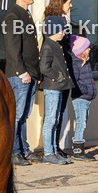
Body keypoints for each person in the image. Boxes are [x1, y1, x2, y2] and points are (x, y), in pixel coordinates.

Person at [3, 0, 41, 166]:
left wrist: (37, 74)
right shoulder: (13, 16)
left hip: (31, 73)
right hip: (20, 75)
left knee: (24, 114)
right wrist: (21, 72)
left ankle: (24, 149)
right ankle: (14, 152)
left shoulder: (25, 14)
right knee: (17, 115)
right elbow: (12, 47)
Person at [38, 16, 75, 165]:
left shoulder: (55, 44)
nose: (63, 33)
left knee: (55, 120)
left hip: (58, 87)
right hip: (52, 87)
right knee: (50, 120)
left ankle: (53, 150)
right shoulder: (48, 45)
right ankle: (48, 152)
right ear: (53, 30)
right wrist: (58, 76)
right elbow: (44, 67)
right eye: (61, 30)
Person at [44, 0, 74, 156]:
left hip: (65, 73)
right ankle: (51, 149)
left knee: (59, 112)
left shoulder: (64, 21)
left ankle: (55, 147)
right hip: (57, 74)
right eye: (68, 2)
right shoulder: (52, 22)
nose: (71, 5)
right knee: (52, 115)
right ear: (60, 3)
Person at [69, 35, 97, 161]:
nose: (89, 49)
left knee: (83, 122)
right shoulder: (76, 64)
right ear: (81, 50)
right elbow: (75, 82)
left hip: (86, 98)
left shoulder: (85, 62)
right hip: (80, 98)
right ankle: (78, 150)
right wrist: (85, 91)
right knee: (81, 123)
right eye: (87, 48)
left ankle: (78, 148)